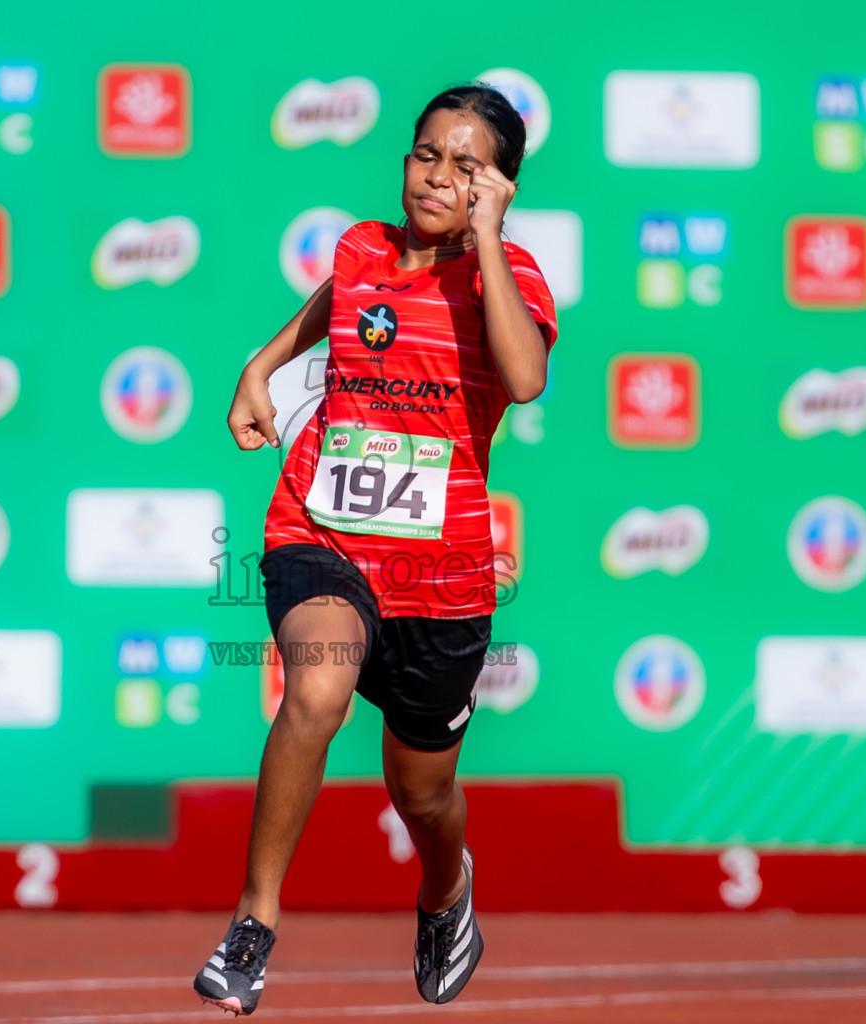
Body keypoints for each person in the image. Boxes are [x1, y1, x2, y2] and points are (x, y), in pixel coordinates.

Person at [194, 83, 557, 1016]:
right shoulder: (360, 247)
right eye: (426, 154)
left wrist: (482, 241)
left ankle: (446, 894)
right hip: (321, 533)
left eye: (466, 167)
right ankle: (254, 924)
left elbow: (522, 379)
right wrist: (260, 364)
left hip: (442, 577)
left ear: (501, 188)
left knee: (422, 793)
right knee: (315, 685)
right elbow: (338, 298)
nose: (438, 176)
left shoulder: (508, 278)